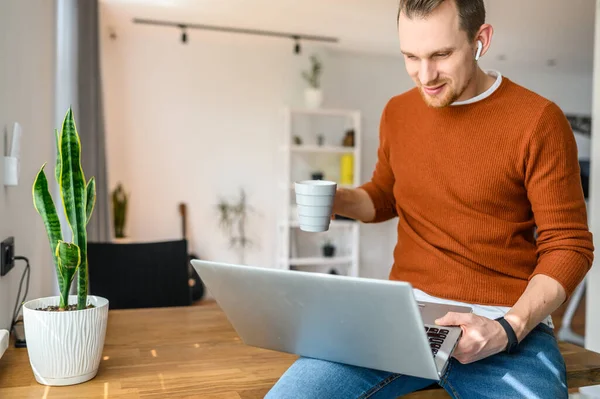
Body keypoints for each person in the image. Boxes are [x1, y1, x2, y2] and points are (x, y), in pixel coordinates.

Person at [266, 0, 595, 398]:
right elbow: (385, 197)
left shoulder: (538, 120)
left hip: (503, 323)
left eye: (441, 54)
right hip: (403, 319)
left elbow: (569, 245)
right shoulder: (398, 112)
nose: (425, 76)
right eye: (411, 56)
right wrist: (339, 200)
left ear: (481, 40)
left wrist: (509, 327)